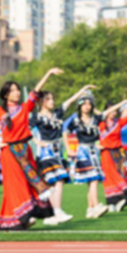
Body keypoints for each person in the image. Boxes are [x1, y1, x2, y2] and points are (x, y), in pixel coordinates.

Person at [0, 69, 61, 230]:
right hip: (9, 153)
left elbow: (35, 92)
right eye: (12, 91)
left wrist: (48, 74)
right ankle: (24, 216)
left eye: (17, 90)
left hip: (25, 150)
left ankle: (20, 218)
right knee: (15, 185)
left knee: (29, 181)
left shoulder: (24, 108)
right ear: (5, 95)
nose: (16, 93)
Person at [32, 84, 95, 225]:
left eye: (52, 98)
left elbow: (70, 101)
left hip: (58, 153)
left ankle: (51, 215)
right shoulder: (37, 117)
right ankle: (57, 211)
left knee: (53, 184)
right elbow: (26, 129)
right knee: (58, 180)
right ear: (41, 102)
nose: (52, 101)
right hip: (46, 153)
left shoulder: (57, 114)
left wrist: (82, 90)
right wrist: (37, 141)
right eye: (49, 99)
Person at [66, 90, 112, 219]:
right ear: (79, 105)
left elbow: (106, 113)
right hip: (83, 151)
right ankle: (96, 206)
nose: (87, 106)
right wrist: (68, 148)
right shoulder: (75, 120)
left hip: (93, 150)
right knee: (94, 179)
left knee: (91, 181)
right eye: (84, 104)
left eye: (89, 104)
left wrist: (123, 102)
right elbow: (65, 132)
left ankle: (90, 209)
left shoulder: (95, 119)